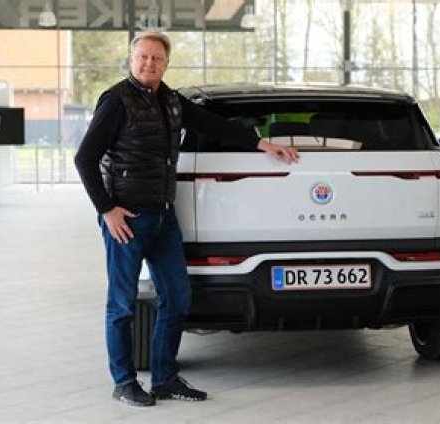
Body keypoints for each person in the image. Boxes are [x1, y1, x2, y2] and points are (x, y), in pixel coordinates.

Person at [74, 31, 299, 407]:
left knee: (177, 299)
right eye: (142, 57)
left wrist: (263, 144)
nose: (149, 63)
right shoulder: (116, 100)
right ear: (131, 60)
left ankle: (164, 378)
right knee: (123, 305)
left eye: (156, 58)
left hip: (164, 218)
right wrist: (107, 209)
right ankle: (124, 382)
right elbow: (85, 158)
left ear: (166, 63)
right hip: (126, 220)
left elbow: (215, 125)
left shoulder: (172, 101)